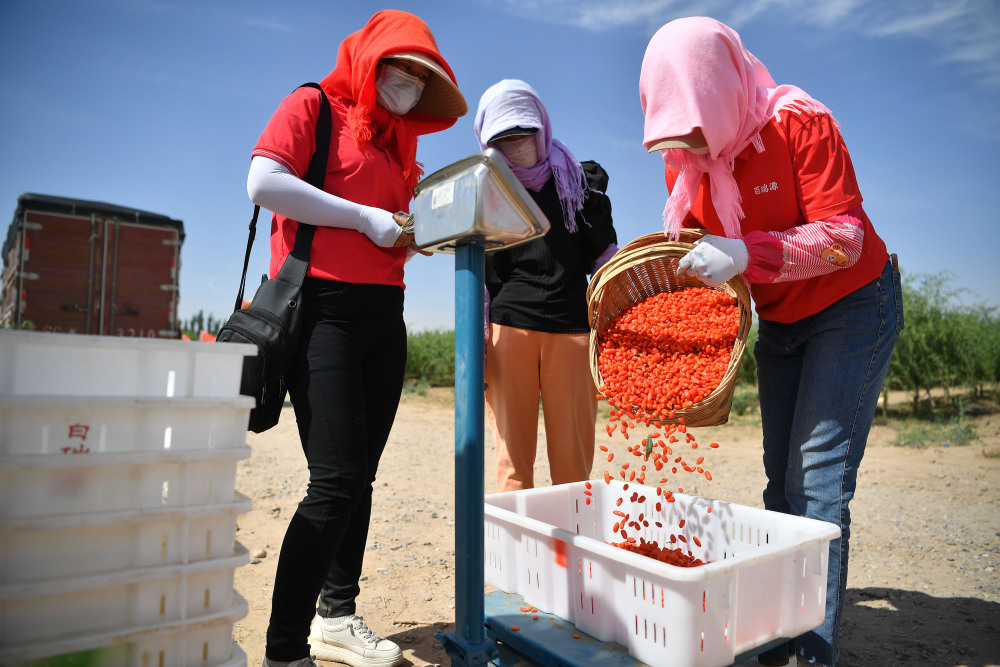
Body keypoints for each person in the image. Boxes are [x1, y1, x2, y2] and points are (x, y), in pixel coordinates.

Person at [639, 17, 902, 667]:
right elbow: (693, 256)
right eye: (674, 137)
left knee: (816, 483)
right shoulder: (686, 159)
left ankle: (811, 651)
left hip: (850, 306)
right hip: (781, 320)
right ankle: (782, 629)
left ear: (719, 94)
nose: (688, 151)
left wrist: (741, 252)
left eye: (694, 132)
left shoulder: (799, 122)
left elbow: (843, 237)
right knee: (777, 489)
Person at [245, 10, 466, 667]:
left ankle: (335, 617)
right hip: (321, 311)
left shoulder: (400, 142)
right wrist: (364, 217)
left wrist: (409, 232)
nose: (409, 85)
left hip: (384, 317)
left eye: (422, 79)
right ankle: (285, 649)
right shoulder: (313, 105)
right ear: (371, 61)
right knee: (335, 481)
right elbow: (264, 180)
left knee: (360, 479)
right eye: (402, 70)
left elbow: (389, 226)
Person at [474, 79, 619, 493]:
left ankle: (570, 553)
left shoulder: (580, 185)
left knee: (573, 465)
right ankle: (515, 555)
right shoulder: (487, 191)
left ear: (542, 128)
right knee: (512, 464)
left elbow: (604, 258)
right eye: (504, 140)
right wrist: (476, 338)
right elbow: (482, 272)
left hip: (571, 332)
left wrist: (626, 312)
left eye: (524, 134)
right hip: (508, 334)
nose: (517, 145)